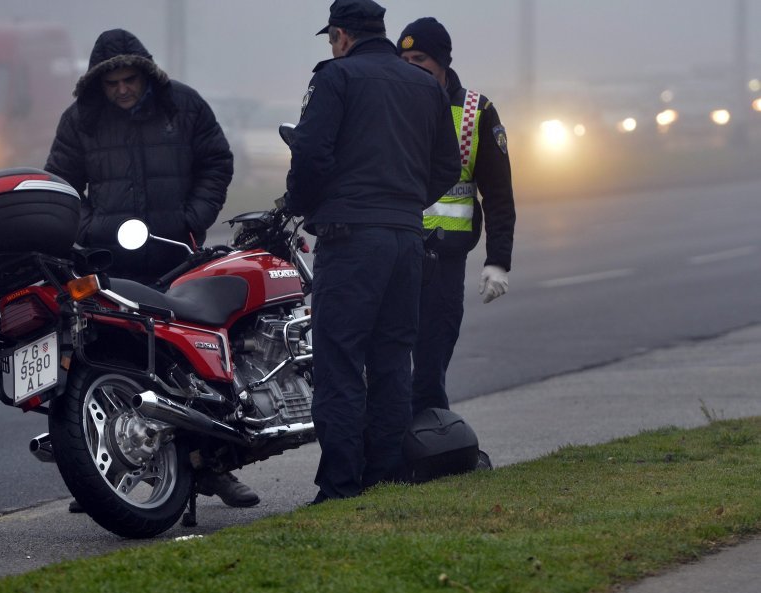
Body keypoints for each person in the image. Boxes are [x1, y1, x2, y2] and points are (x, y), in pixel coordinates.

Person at [44, 28, 260, 509]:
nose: (122, 89)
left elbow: (216, 162)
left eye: (129, 79)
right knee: (113, 365)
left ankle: (216, 469)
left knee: (192, 369)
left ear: (145, 75)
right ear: (98, 84)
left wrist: (191, 219)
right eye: (112, 82)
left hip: (175, 256)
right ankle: (105, 476)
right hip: (109, 263)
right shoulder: (80, 120)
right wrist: (90, 229)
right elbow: (59, 186)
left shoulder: (183, 106)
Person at [286, 0, 461, 503]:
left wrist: (303, 205)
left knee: (340, 362)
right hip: (407, 240)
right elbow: (446, 164)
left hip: (349, 238)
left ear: (341, 36)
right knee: (391, 361)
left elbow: (311, 153)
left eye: (331, 39)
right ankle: (383, 478)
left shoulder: (335, 78)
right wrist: (404, 202)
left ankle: (340, 486)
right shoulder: (426, 85)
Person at [397, 18, 516, 414]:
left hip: (443, 260)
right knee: (387, 366)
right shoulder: (388, 103)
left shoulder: (475, 111)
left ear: (443, 63)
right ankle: (393, 455)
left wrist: (498, 260)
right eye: (404, 58)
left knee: (430, 367)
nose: (411, 66)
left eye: (421, 59)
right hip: (392, 251)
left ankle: (432, 450)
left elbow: (498, 194)